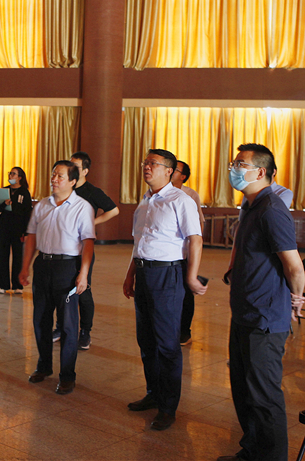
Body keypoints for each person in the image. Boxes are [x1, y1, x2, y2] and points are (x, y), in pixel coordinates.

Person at [217, 144, 305, 461]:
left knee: (264, 397)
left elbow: (294, 266)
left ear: (261, 172)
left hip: (264, 320)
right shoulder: (251, 206)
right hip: (244, 312)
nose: (234, 168)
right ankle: (252, 451)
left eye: (241, 164)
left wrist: (296, 299)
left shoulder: (271, 209)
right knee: (244, 391)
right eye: (234, 163)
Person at [122, 149, 207, 431]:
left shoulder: (181, 200)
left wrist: (191, 276)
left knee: (167, 344)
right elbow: (139, 243)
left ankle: (168, 407)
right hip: (144, 273)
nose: (146, 167)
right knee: (146, 340)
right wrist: (130, 275)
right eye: (145, 162)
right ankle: (153, 393)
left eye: (153, 164)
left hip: (168, 274)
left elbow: (195, 240)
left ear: (169, 171)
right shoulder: (145, 201)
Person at [19, 160, 95, 395]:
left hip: (68, 267)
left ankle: (67, 375)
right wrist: (25, 267)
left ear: (73, 181)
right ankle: (44, 366)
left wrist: (83, 274)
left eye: (60, 176)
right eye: (53, 175)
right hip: (43, 265)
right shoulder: (42, 205)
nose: (54, 179)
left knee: (69, 325)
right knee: (41, 320)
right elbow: (31, 237)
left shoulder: (82, 207)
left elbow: (88, 242)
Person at [52, 151, 119, 350]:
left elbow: (114, 210)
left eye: (76, 167)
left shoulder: (92, 192)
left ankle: (85, 331)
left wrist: (91, 223)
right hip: (61, 247)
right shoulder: (64, 188)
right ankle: (60, 327)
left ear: (86, 171)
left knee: (83, 291)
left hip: (82, 248)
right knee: (62, 291)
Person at [170, 160, 205, 346]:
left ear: (183, 176)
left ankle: (185, 332)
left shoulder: (190, 195)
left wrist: (194, 251)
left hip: (184, 253)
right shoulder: (155, 193)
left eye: (175, 170)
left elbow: (199, 224)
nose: (171, 171)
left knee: (185, 294)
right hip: (165, 255)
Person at [0, 167, 32, 294]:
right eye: (10, 173)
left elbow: (28, 213)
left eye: (13, 174)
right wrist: (4, 203)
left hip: (18, 228)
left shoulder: (24, 192)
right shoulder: (4, 190)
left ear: (20, 177)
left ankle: (17, 285)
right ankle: (2, 285)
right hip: (4, 227)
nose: (10, 175)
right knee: (1, 256)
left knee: (18, 257)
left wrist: (26, 232)